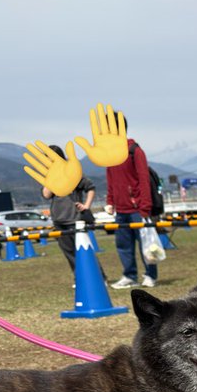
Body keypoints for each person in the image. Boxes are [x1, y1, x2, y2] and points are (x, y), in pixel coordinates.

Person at [105, 113, 158, 289]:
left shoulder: (135, 150)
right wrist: (110, 201)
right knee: (123, 246)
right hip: (120, 210)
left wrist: (145, 206)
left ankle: (150, 275)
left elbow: (144, 179)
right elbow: (111, 180)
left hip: (138, 209)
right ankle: (129, 275)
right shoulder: (109, 154)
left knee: (147, 245)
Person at [41, 145, 96, 272]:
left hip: (74, 219)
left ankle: (99, 277)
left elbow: (90, 187)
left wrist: (86, 206)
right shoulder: (50, 176)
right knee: (69, 253)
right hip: (59, 220)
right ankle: (79, 278)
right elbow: (46, 195)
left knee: (84, 252)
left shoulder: (73, 172)